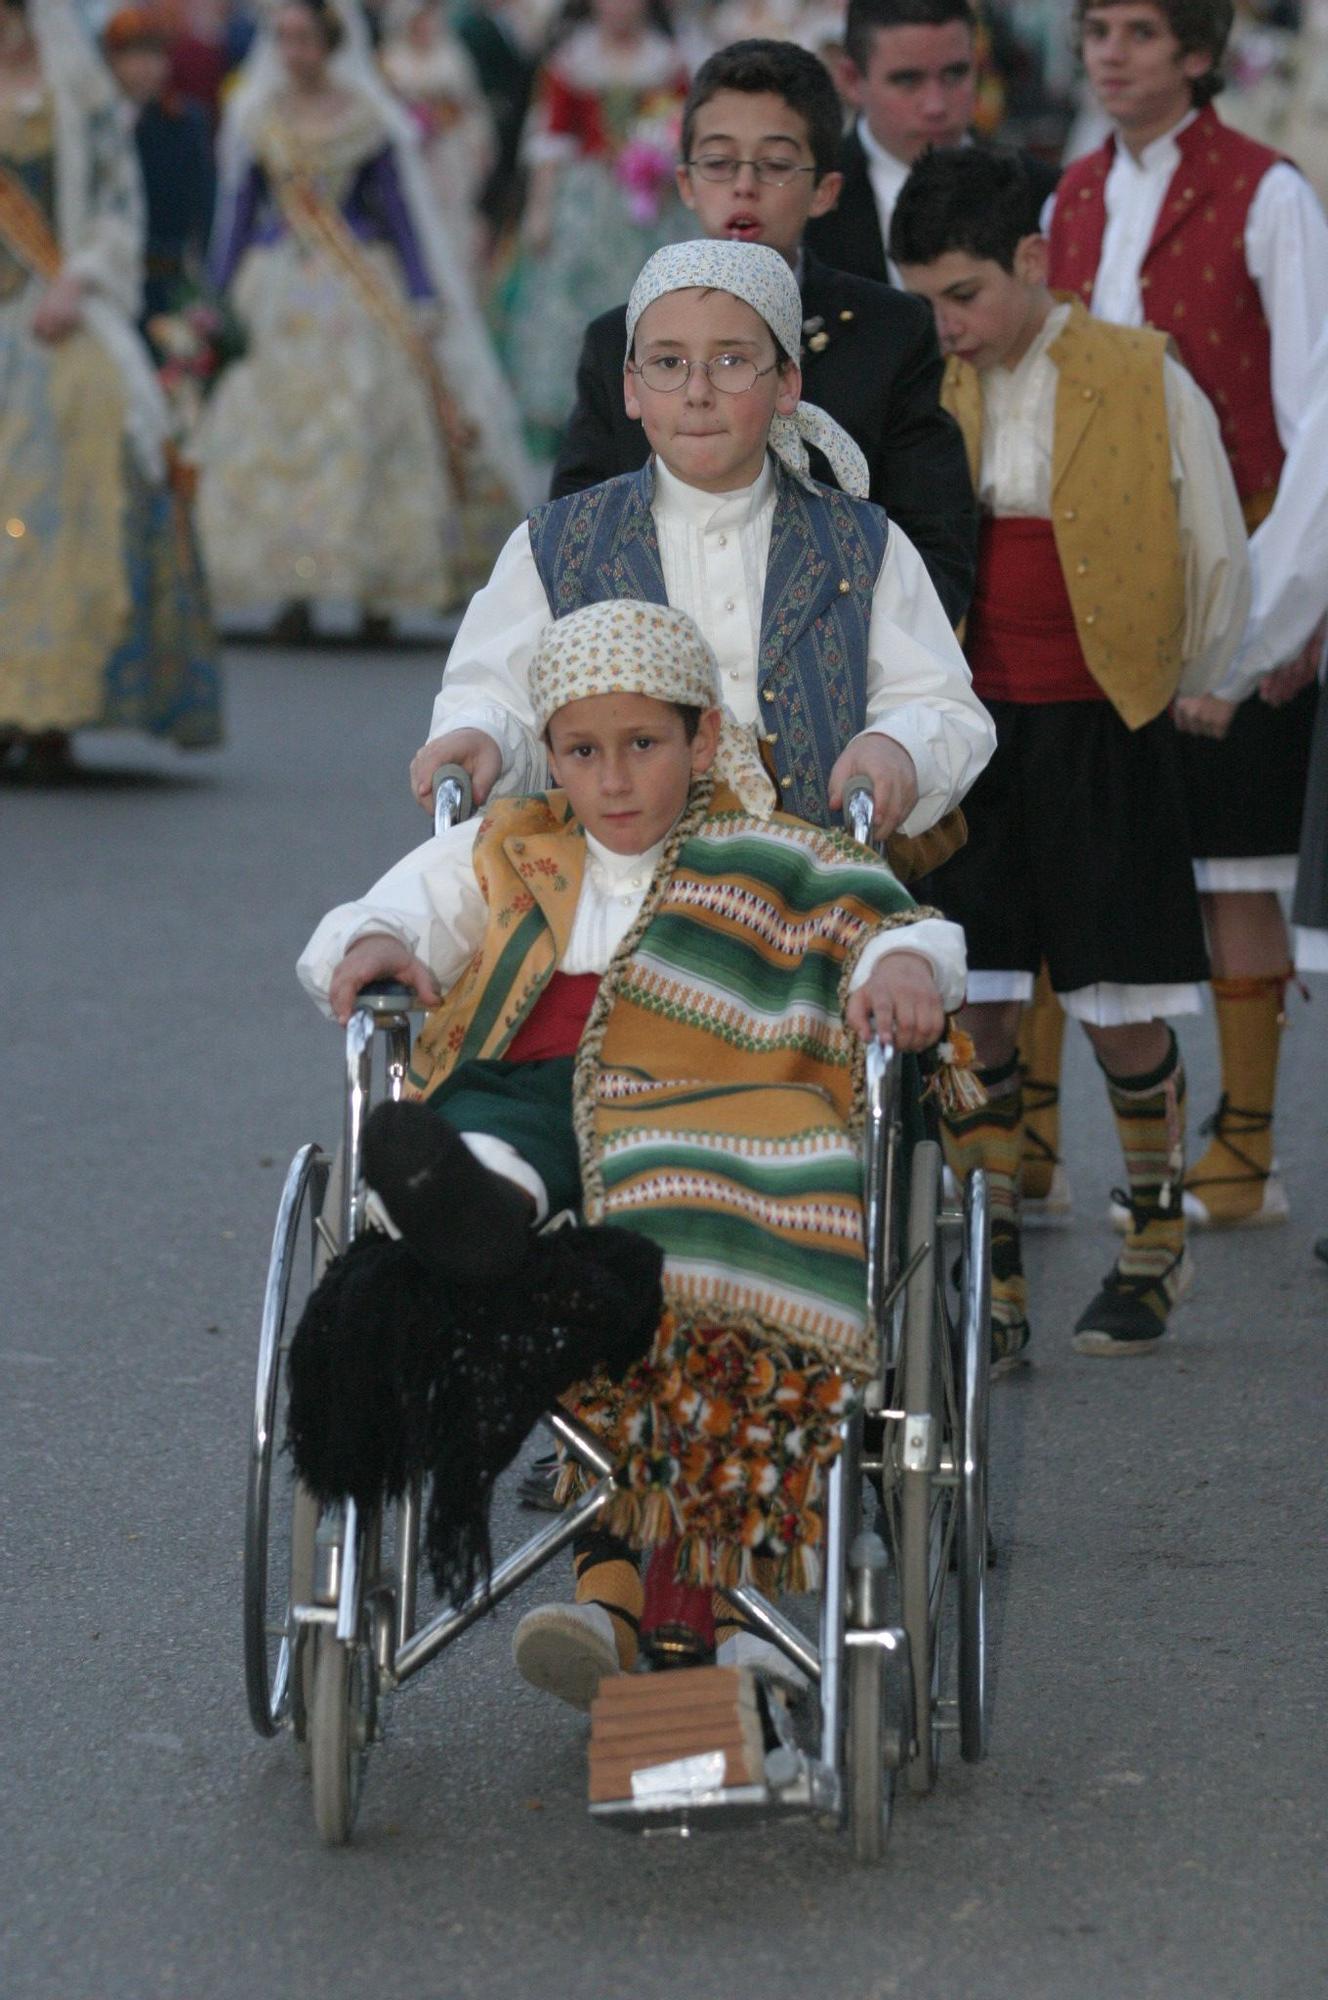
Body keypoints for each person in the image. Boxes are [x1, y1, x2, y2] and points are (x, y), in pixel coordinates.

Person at [293, 596, 969, 1702]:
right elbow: (395, 904)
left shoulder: (772, 857)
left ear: (703, 741)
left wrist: (901, 968)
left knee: (691, 1231)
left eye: (641, 746)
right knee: (497, 1134)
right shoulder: (515, 847)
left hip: (707, 1104)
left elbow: (896, 922)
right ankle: (481, 1214)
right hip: (535, 1082)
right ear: (547, 754)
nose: (611, 780)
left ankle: (680, 1611)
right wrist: (375, 942)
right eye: (580, 752)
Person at [891, 146, 1250, 1360]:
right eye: (924, 299)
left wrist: (1196, 675)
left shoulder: (1137, 374)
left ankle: (1152, 1231)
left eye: (962, 294)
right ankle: (991, 1272)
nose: (944, 324)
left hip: (1101, 722)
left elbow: (1204, 531)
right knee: (977, 1004)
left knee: (1114, 999)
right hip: (967, 735)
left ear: (1032, 264)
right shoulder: (919, 385)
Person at [411, 236, 994, 883]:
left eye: (731, 361)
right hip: (606, 899)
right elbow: (497, 695)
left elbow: (937, 702)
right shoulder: (560, 542)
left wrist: (896, 747)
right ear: (631, 388)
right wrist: (483, 736)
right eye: (667, 363)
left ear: (786, 383)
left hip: (814, 896)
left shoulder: (861, 542)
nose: (697, 391)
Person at [1043, 0, 1328, 1231]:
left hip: (1242, 555)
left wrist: (1271, 615)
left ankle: (1247, 1146)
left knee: (1235, 865)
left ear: (1199, 54)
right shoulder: (1067, 197)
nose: (1110, 52)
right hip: (1098, 568)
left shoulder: (1270, 198)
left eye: (1141, 31)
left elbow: (1314, 410)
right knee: (1082, 843)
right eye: (1096, 28)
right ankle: (1040, 1134)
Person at [551, 37, 979, 627]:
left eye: (776, 165)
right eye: (720, 164)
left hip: (843, 667)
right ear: (685, 183)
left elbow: (937, 548)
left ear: (826, 190)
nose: (744, 186)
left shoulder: (889, 333)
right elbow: (574, 541)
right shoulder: (616, 341)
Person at [194, 0, 532, 638]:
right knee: (275, 423)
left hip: (360, 288)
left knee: (368, 421)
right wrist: (216, 299)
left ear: (329, 43)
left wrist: (425, 293)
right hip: (278, 284)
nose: (293, 52)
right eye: (284, 39)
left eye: (303, 40)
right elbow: (240, 213)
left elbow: (400, 213)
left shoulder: (368, 117)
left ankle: (375, 587)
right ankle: (293, 586)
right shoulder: (257, 115)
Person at [0, 0, 220, 778]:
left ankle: (51, 705)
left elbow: (116, 208)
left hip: (55, 314)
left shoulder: (78, 93)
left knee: (70, 500)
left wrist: (79, 280)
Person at [500, 0, 690, 460]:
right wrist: (541, 210)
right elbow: (552, 140)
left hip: (648, 206)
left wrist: (660, 166)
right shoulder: (573, 61)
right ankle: (577, 414)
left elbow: (680, 129)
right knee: (573, 304)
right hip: (584, 205)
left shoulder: (666, 62)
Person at [804, 0, 1059, 289]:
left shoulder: (1043, 193)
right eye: (908, 80)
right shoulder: (804, 204)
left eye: (955, 74)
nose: (935, 105)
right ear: (851, 80)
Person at [101, 6, 215, 335]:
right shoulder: (96, 127)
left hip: (166, 281)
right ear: (113, 60)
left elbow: (203, 205)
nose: (147, 68)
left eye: (155, 55)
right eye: (135, 56)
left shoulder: (185, 122)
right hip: (109, 279)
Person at [378, 0, 494, 275]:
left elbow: (471, 106)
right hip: (410, 155)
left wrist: (478, 145)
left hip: (448, 154)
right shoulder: (390, 58)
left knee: (451, 221)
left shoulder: (452, 55)